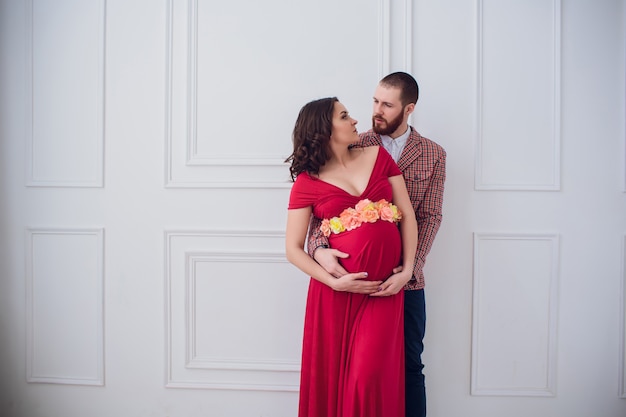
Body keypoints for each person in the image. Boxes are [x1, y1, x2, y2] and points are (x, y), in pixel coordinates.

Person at [307, 72, 446, 417]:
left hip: (405, 279)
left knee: (410, 363)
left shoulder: (433, 154)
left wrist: (409, 269)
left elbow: (428, 215)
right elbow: (322, 212)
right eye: (374, 101)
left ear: (408, 108)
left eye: (387, 104)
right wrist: (320, 249)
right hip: (355, 279)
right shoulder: (353, 143)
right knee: (356, 369)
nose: (376, 111)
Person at [285, 97, 418, 417]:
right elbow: (292, 249)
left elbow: (409, 217)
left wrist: (406, 271)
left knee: (368, 376)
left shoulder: (378, 156)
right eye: (344, 116)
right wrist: (336, 283)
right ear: (325, 130)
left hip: (384, 290)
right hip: (336, 295)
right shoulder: (307, 182)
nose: (355, 120)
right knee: (337, 379)